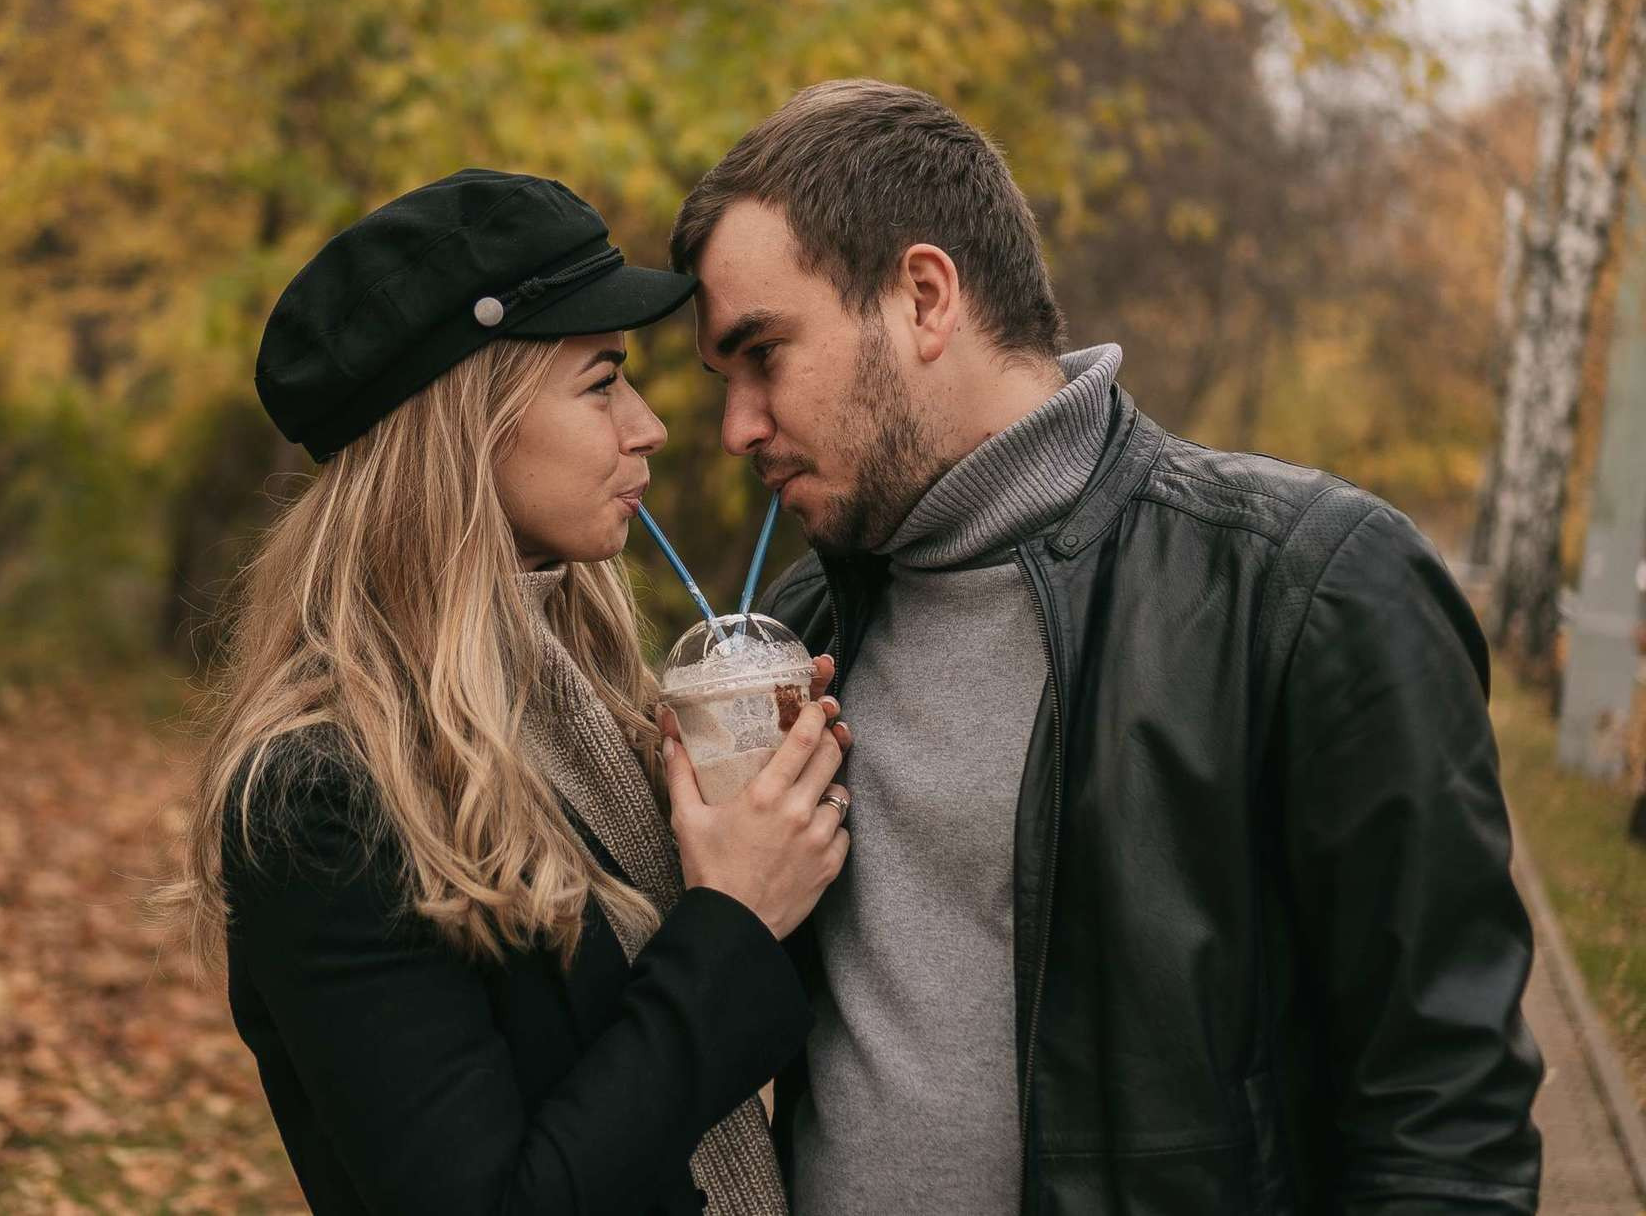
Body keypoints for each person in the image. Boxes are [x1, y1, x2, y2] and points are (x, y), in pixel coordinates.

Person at [669, 81, 1545, 1215]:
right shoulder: (806, 631)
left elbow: (1446, 1128)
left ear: (923, 298)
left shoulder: (1304, 590)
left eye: (761, 354)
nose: (736, 425)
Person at [165, 168, 853, 1216]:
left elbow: (658, 1025)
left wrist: (764, 832)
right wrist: (731, 915)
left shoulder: (586, 702)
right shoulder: (324, 794)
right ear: (464, 424)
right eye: (600, 381)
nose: (650, 426)